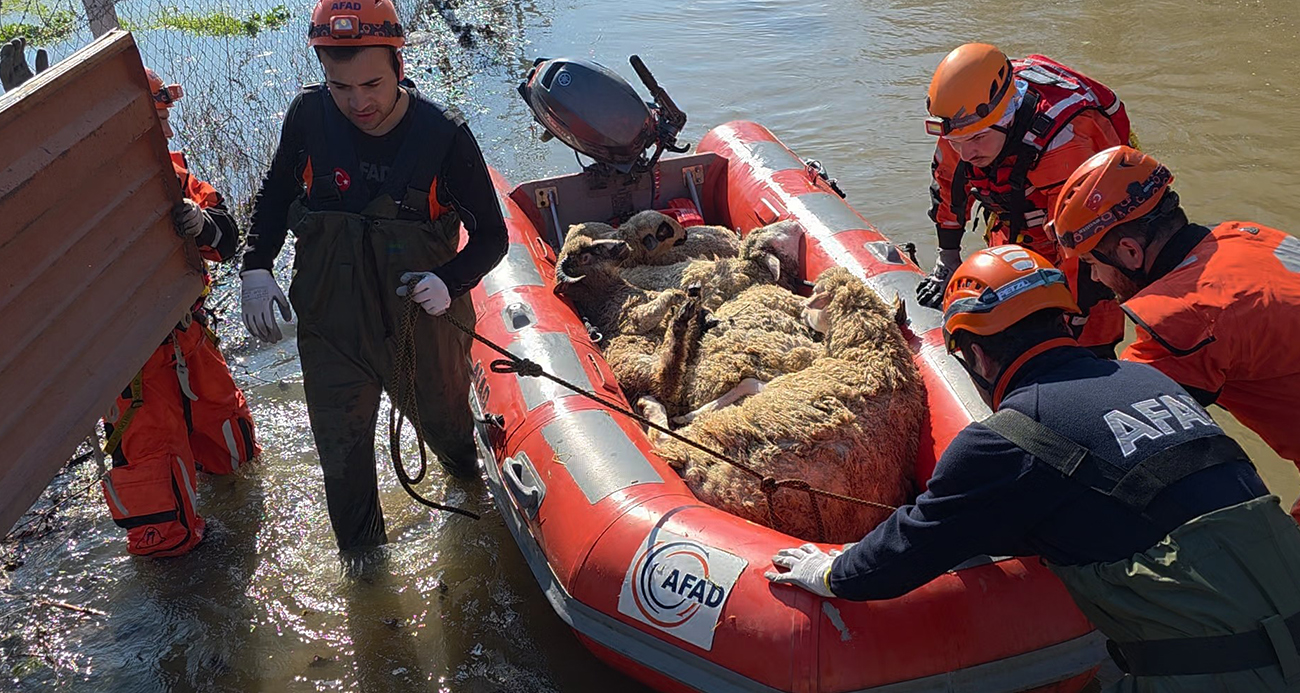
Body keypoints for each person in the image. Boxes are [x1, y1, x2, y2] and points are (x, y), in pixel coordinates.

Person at [767, 246, 1300, 691]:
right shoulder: (1155, 383)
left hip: (1228, 672)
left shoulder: (1009, 440)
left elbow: (907, 550)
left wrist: (832, 573)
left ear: (974, 355)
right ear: (1066, 320)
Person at [239, 0, 508, 552]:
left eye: (372, 84)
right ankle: (366, 580)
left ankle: (478, 530)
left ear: (399, 65)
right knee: (342, 463)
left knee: (454, 445)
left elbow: (492, 237)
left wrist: (451, 280)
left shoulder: (444, 138)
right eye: (340, 86)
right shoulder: (308, 118)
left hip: (422, 326)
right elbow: (274, 199)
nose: (358, 101)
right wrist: (255, 266)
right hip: (332, 329)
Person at [1048, 144, 1300, 515]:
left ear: (1131, 252)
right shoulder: (1247, 236)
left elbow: (1105, 419)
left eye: (1090, 263)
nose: (1095, 279)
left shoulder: (1183, 316)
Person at [917, 43, 1132, 356]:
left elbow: (1083, 245)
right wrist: (947, 258)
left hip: (1090, 246)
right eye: (956, 142)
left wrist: (1067, 319)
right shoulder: (963, 124)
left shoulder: (1065, 141)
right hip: (1016, 222)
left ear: (1007, 116)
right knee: (1002, 332)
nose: (966, 153)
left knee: (1086, 339)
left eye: (976, 140)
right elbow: (949, 186)